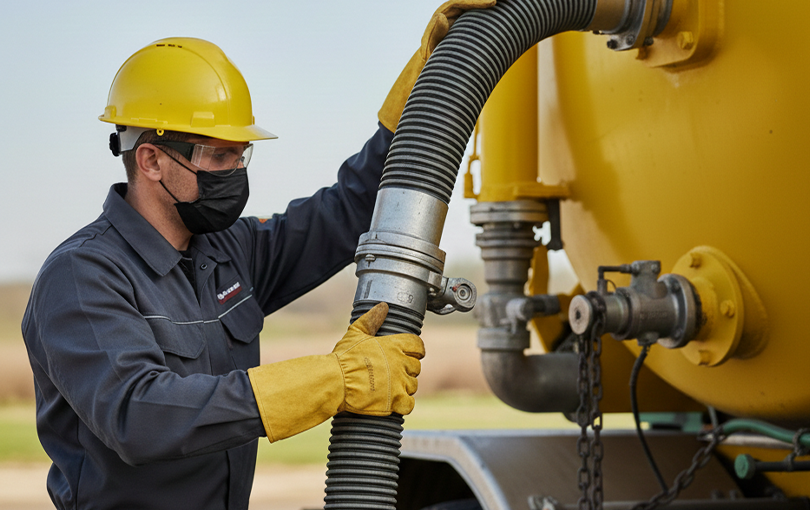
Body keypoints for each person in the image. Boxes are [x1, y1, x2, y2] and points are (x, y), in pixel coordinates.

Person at [21, 2, 494, 510]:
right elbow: (140, 416)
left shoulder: (229, 251)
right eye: (217, 156)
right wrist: (331, 379)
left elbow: (350, 206)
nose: (235, 172)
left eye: (240, 154)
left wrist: (433, 75)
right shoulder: (82, 276)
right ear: (151, 159)